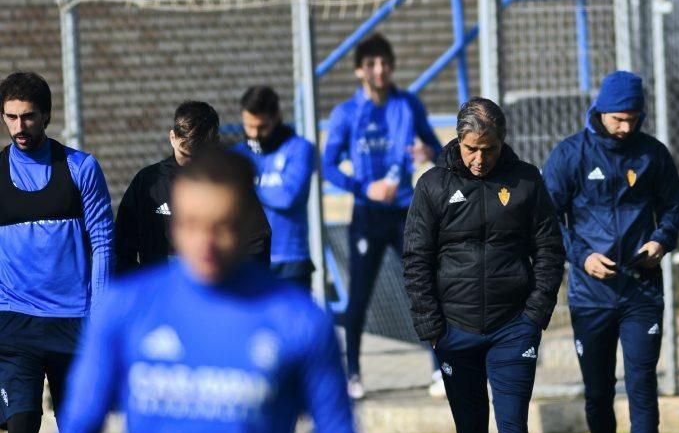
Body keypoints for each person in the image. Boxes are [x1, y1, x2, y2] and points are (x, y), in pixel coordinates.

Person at [47, 149, 368, 433]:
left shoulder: (299, 321)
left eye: (222, 226)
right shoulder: (126, 309)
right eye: (191, 224)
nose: (205, 243)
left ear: (248, 223)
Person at [403, 97, 566, 433]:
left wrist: (534, 315)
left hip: (513, 327)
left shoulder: (527, 180)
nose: (479, 158)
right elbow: (416, 259)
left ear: (502, 141)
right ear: (459, 140)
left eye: (488, 149)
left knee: (512, 425)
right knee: (472, 431)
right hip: (454, 331)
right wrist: (432, 327)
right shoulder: (433, 185)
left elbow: (549, 249)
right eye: (472, 148)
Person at [542, 71, 679, 433]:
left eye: (633, 119)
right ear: (601, 111)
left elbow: (675, 207)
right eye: (619, 119)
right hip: (591, 296)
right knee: (599, 390)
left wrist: (661, 240)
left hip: (642, 292)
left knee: (642, 383)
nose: (626, 127)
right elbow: (548, 219)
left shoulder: (652, 155)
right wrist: (582, 257)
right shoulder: (571, 155)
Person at [0, 72, 114, 433]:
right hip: (14, 323)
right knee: (23, 425)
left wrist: (99, 317)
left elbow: (103, 242)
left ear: (46, 115)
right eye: (10, 117)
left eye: (28, 117)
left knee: (78, 432)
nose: (18, 127)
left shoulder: (81, 168)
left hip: (73, 323)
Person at [323, 33, 441, 399]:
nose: (380, 70)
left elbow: (435, 146)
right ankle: (354, 374)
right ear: (360, 70)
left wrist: (427, 151)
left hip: (404, 212)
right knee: (359, 295)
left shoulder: (408, 105)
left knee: (423, 288)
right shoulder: (347, 113)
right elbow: (327, 165)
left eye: (385, 63)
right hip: (368, 215)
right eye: (372, 64)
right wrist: (363, 188)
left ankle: (440, 370)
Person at [115, 100, 271, 274]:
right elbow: (122, 246)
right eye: (184, 154)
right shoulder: (148, 182)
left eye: (197, 156)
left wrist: (236, 284)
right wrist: (141, 288)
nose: (189, 164)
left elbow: (257, 241)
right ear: (172, 137)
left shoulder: (228, 184)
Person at [232, 86, 315, 290]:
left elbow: (287, 197)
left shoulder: (299, 148)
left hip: (290, 260)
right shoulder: (237, 155)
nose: (254, 134)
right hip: (247, 259)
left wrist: (245, 190)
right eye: (248, 126)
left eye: (261, 127)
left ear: (277, 118)